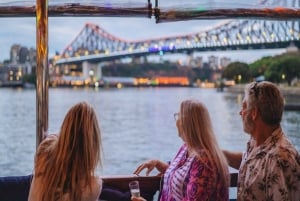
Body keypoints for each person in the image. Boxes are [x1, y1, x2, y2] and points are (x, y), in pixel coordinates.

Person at [133, 99, 229, 201]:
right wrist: (160, 164)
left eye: (178, 115)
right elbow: (184, 176)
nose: (176, 120)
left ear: (186, 123)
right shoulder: (187, 147)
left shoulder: (204, 161)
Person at [223, 81, 300, 201]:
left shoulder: (278, 159)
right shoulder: (259, 142)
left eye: (244, 107)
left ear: (254, 113)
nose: (240, 113)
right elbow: (252, 164)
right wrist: (217, 153)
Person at [28, 101, 103, 201]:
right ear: (93, 143)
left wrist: (68, 135)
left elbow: (54, 138)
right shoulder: (92, 187)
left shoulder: (43, 151)